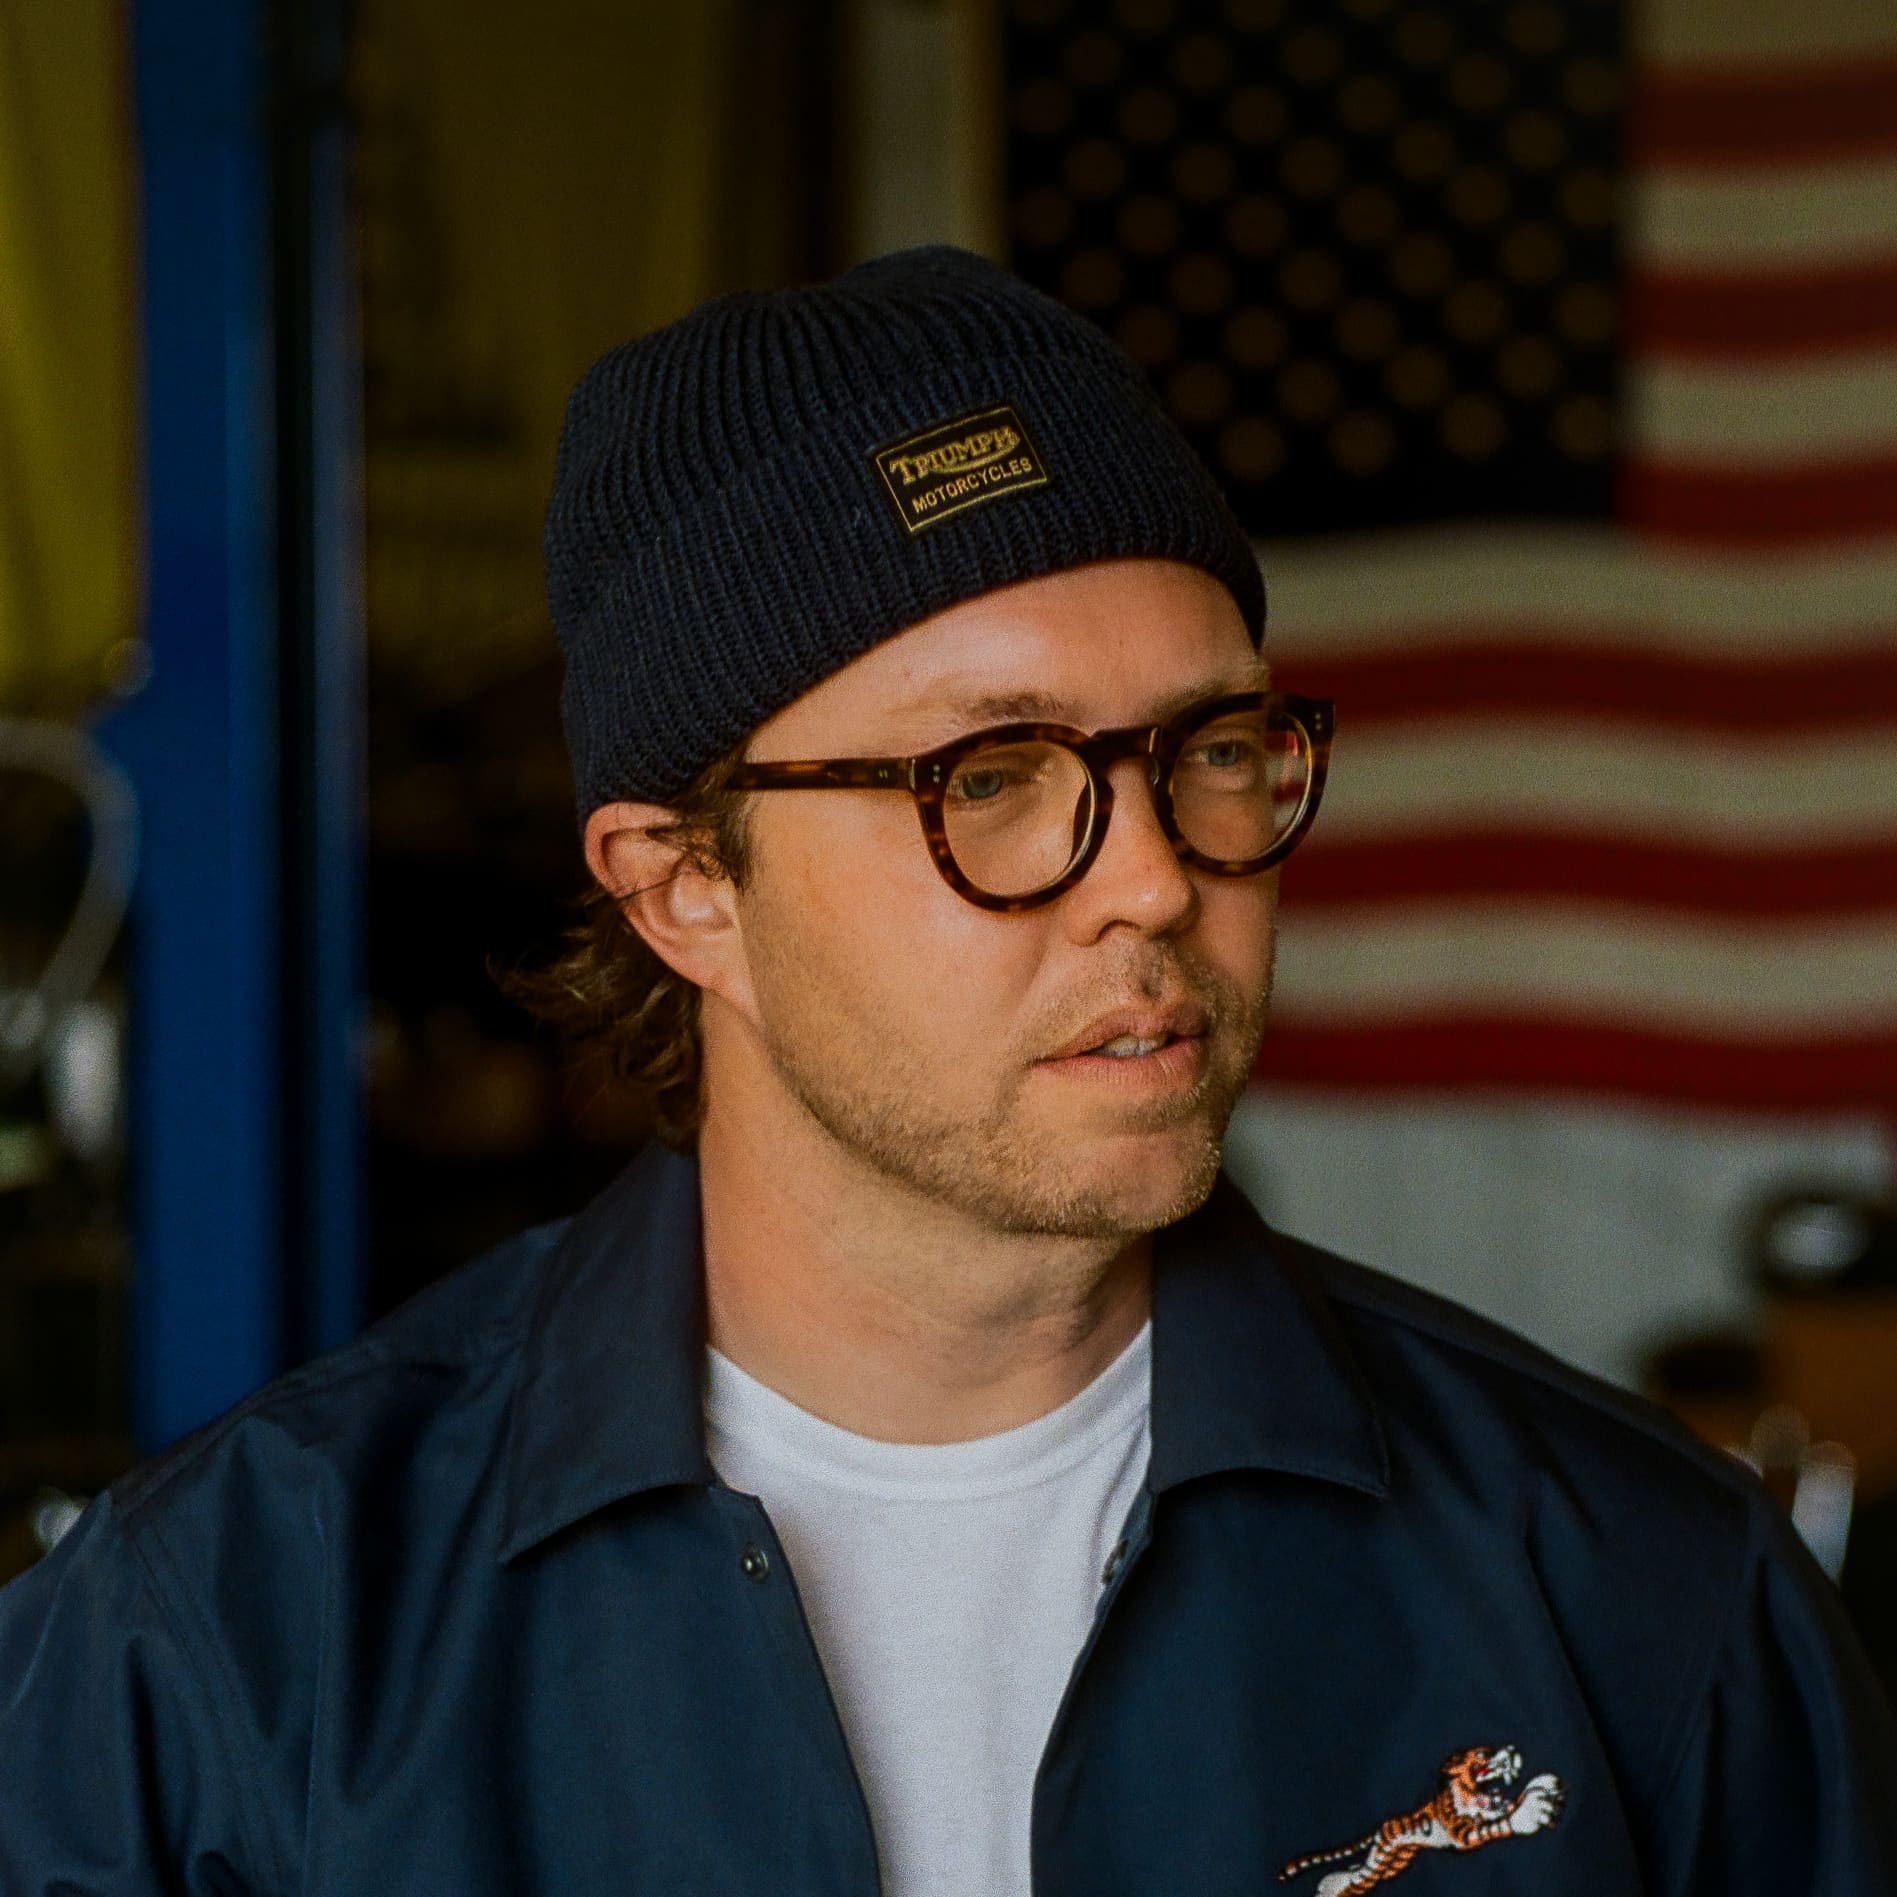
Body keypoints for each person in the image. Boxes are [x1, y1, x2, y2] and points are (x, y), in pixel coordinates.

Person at [1, 246, 1892, 1894]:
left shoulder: (1639, 1598)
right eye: (986, 778)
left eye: (1211, 748)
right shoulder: (234, 1646)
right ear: (683, 892)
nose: (1154, 874)